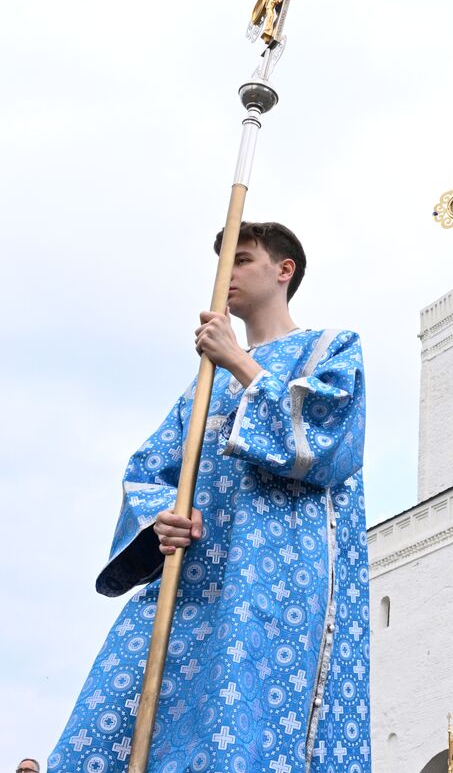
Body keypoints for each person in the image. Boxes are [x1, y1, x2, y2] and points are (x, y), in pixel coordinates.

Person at [48, 222, 370, 773]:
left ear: (283, 270)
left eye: (241, 260)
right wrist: (160, 521)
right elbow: (148, 470)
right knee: (112, 725)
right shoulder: (201, 386)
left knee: (245, 737)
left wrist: (241, 363)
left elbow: (328, 442)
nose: (226, 275)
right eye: (221, 263)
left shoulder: (329, 348)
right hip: (192, 585)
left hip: (278, 588)